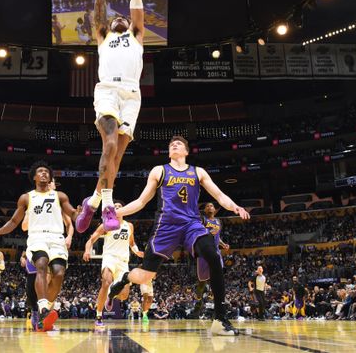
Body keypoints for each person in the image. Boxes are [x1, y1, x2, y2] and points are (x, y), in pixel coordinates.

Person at [105, 135, 251, 336]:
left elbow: (218, 195)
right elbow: (141, 201)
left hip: (192, 223)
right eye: (171, 144)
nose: (174, 144)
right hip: (166, 226)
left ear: (186, 151)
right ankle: (123, 278)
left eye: (179, 143)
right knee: (146, 275)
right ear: (169, 151)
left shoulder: (197, 172)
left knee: (213, 254)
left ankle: (220, 318)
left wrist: (234, 206)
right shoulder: (160, 170)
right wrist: (117, 212)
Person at [77, 0, 146, 233]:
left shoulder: (137, 33)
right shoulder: (103, 34)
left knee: (117, 155)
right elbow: (99, 4)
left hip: (131, 96)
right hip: (107, 90)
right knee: (109, 144)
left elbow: (137, 1)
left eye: (123, 17)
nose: (119, 18)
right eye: (115, 18)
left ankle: (92, 201)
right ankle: (106, 204)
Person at [0, 161, 79, 332]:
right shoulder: (27, 197)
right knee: (41, 264)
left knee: (59, 273)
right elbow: (14, 221)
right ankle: (43, 307)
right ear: (34, 177)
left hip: (56, 238)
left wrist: (81, 213)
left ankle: (47, 308)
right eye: (40, 171)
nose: (44, 173)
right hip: (37, 237)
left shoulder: (60, 196)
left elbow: (73, 215)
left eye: (47, 171)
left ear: (51, 177)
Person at [82, 201, 143, 327]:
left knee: (124, 296)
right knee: (106, 282)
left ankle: (110, 296)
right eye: (115, 206)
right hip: (110, 257)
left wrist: (137, 252)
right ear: (111, 210)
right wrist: (88, 250)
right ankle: (99, 316)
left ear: (124, 209)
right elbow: (91, 239)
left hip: (123, 261)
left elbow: (131, 243)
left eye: (120, 206)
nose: (117, 208)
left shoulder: (129, 226)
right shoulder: (106, 225)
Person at [193, 202, 229, 317]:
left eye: (211, 206)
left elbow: (217, 237)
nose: (209, 207)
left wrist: (223, 244)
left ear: (215, 209)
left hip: (216, 252)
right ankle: (198, 297)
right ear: (204, 209)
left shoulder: (218, 221)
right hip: (204, 251)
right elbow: (197, 233)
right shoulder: (202, 220)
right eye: (207, 206)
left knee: (218, 277)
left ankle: (218, 308)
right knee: (202, 281)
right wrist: (208, 232)